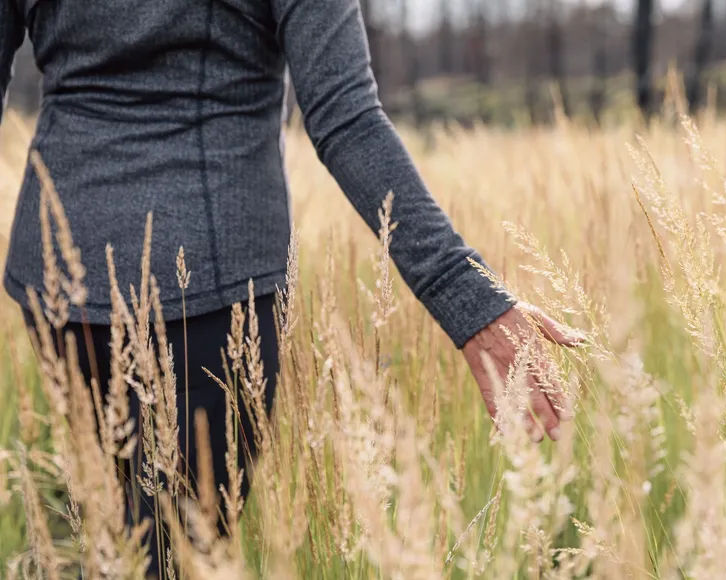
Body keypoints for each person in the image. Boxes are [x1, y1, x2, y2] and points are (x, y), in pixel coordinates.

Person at [0, 0, 576, 575]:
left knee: (121, 541)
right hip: (210, 285)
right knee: (173, 554)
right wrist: (468, 299)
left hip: (59, 266)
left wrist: (467, 300)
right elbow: (345, 118)